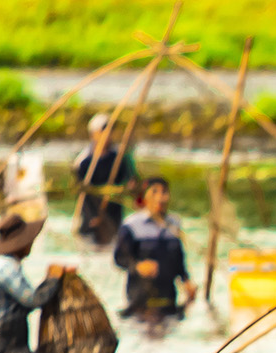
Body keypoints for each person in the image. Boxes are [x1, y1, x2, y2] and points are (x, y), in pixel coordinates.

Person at [0, 213, 75, 353]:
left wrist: (52, 278)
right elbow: (34, 300)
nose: (31, 244)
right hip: (2, 351)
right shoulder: (6, 268)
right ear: (20, 243)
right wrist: (53, 278)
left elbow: (25, 305)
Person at [112, 176, 193, 319]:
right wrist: (138, 266)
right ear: (145, 197)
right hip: (140, 301)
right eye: (154, 192)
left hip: (168, 300)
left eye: (164, 192)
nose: (160, 198)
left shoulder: (174, 225)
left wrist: (186, 281)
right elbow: (119, 258)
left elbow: (179, 259)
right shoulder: (132, 226)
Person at [71, 114, 138, 246]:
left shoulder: (120, 157)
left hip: (114, 217)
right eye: (103, 131)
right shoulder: (83, 162)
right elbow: (82, 194)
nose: (108, 135)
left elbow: (133, 182)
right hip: (91, 218)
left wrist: (132, 186)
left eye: (110, 131)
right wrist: (94, 216)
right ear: (93, 134)